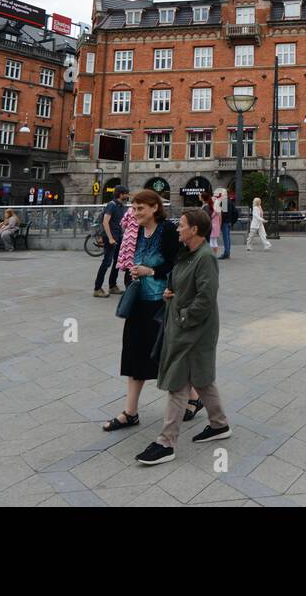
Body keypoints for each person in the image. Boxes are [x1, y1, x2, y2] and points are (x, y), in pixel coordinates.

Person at [134, 207, 231, 465]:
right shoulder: (186, 255)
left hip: (195, 328)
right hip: (185, 324)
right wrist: (170, 293)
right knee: (201, 379)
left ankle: (166, 443)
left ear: (195, 230)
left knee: (178, 381)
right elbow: (180, 284)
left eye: (182, 225)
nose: (178, 229)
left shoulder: (205, 257)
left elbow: (206, 298)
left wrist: (184, 317)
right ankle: (220, 424)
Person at [102, 190, 180, 435]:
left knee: (165, 356)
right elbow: (128, 261)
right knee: (135, 355)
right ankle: (130, 412)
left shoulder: (167, 231)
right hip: (138, 303)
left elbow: (175, 265)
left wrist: (151, 272)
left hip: (161, 303)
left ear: (155, 208)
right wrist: (132, 273)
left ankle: (196, 397)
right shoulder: (133, 232)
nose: (135, 213)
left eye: (140, 209)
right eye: (133, 209)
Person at [94, 186, 129, 297]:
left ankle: (112, 286)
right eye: (126, 194)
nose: (127, 196)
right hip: (111, 237)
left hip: (118, 237)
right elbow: (105, 222)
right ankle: (97, 288)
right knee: (106, 262)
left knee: (117, 263)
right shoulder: (112, 205)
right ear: (121, 194)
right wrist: (110, 238)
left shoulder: (121, 206)